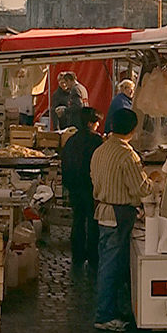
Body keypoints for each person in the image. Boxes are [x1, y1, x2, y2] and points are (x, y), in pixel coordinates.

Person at [91, 108, 155, 332]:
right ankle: (105, 315)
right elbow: (141, 188)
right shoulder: (128, 155)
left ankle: (109, 310)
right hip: (117, 215)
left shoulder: (101, 150)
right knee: (110, 267)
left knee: (108, 265)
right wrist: (157, 183)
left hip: (103, 213)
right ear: (133, 129)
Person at [61, 107, 104, 267]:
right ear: (90, 123)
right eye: (96, 122)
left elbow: (65, 164)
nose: (98, 125)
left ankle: (78, 254)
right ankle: (93, 256)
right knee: (93, 221)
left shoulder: (71, 141)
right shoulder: (96, 141)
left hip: (74, 186)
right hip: (90, 187)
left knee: (78, 219)